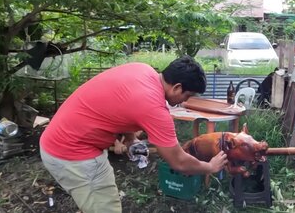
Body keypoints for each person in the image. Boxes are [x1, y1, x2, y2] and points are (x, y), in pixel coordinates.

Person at [39, 56, 228, 213]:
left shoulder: (142, 69)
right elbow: (179, 162)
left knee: (97, 200)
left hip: (58, 138)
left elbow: (119, 103)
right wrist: (210, 167)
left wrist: (130, 138)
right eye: (187, 96)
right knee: (105, 208)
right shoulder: (155, 109)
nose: (185, 101)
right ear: (177, 87)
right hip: (71, 153)